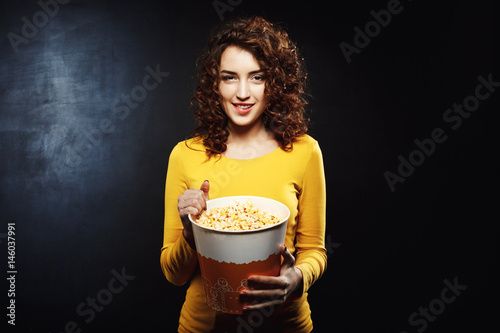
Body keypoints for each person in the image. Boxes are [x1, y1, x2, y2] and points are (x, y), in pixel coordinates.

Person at [160, 16, 327, 332]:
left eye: (257, 77)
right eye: (229, 78)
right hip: (204, 326)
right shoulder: (185, 156)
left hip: (285, 325)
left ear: (275, 82)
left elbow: (314, 251)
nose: (242, 92)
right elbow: (174, 274)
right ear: (215, 84)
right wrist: (188, 230)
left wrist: (298, 278)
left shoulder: (305, 152)